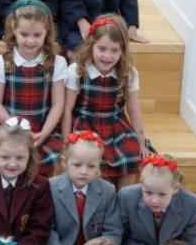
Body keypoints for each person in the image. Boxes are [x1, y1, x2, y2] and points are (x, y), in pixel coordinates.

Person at [0, 0, 66, 175]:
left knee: (54, 158)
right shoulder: (2, 62)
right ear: (14, 30)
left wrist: (44, 134)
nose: (30, 41)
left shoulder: (56, 62)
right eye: (24, 34)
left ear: (47, 32)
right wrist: (14, 127)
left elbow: (58, 104)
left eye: (37, 35)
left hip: (41, 129)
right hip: (7, 126)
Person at [62, 14, 148, 187]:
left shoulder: (128, 73)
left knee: (131, 156)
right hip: (84, 124)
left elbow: (134, 110)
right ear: (91, 45)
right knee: (91, 158)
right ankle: (99, 201)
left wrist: (141, 142)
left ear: (122, 50)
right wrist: (66, 141)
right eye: (102, 49)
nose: (107, 56)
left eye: (114, 50)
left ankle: (122, 201)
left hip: (114, 123)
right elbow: (67, 109)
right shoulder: (77, 70)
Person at [46, 131, 122, 245]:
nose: (84, 171)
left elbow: (113, 231)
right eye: (77, 165)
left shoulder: (107, 191)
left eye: (91, 166)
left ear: (98, 168)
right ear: (65, 162)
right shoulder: (51, 188)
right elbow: (48, 230)